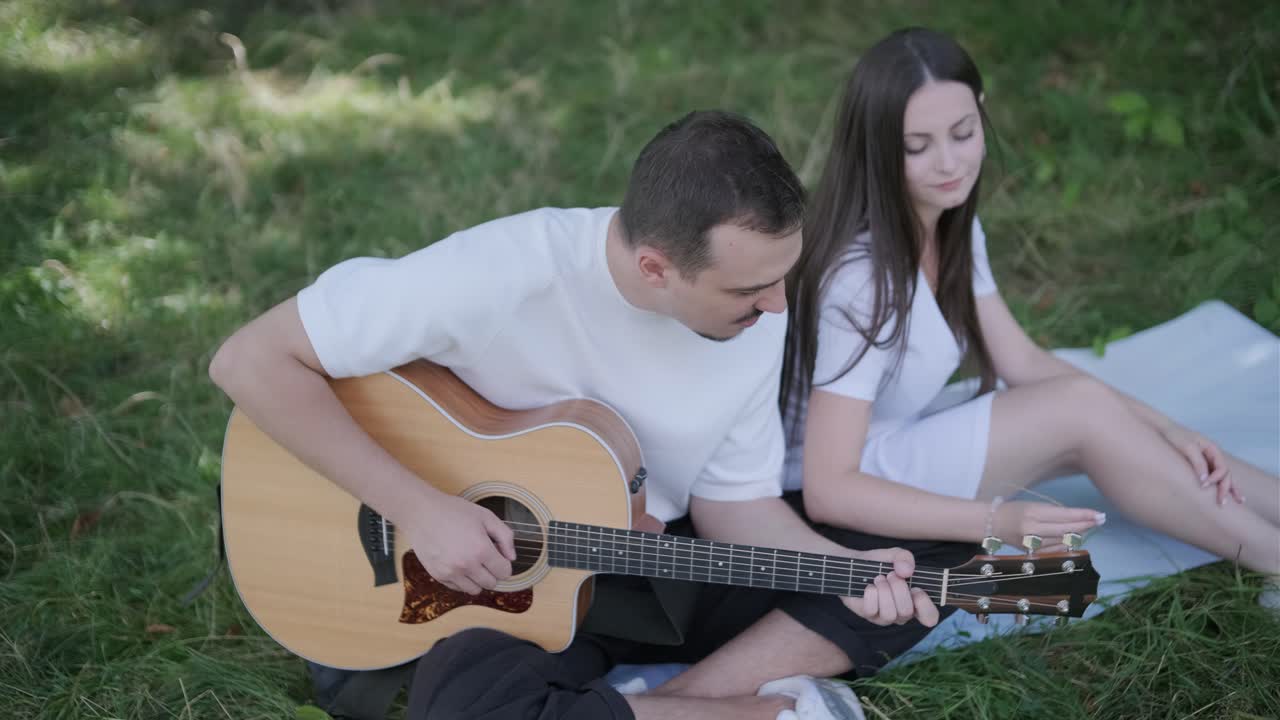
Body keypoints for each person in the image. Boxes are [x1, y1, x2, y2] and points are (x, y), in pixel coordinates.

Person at [209, 110, 972, 720]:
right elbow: (247, 361)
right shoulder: (495, 273)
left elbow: (735, 505)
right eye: (749, 291)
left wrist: (843, 571)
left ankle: (687, 703)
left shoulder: (759, 315)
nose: (778, 306)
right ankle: (761, 709)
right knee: (466, 705)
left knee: (935, 560)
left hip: (646, 565)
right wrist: (419, 508)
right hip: (491, 586)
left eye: (784, 278)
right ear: (655, 268)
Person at [780, 28, 1280, 597]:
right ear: (875, 148)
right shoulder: (860, 281)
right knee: (1080, 410)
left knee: (1100, 413)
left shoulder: (945, 223)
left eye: (963, 133)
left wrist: (1168, 429)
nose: (949, 162)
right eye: (917, 147)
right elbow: (828, 487)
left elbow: (1022, 361)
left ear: (981, 113)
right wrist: (997, 522)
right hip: (847, 486)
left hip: (895, 439)